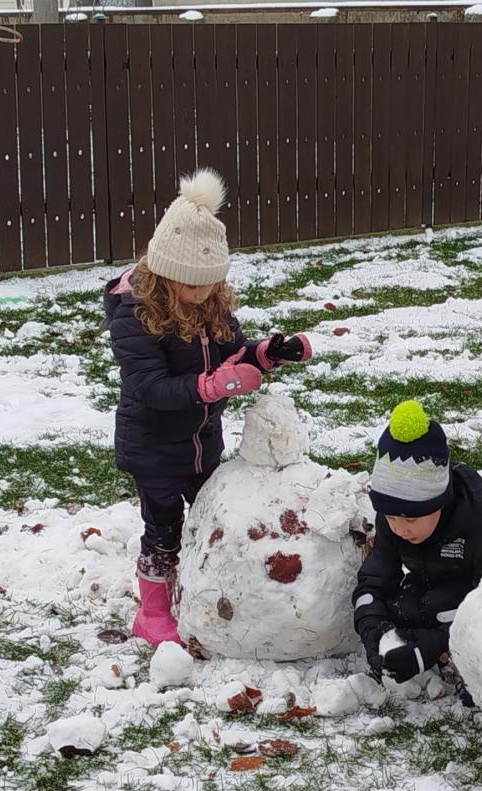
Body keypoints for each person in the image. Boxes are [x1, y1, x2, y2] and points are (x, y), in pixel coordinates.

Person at [105, 169, 312, 645]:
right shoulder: (135, 316)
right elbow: (151, 387)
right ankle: (152, 612)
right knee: (163, 529)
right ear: (163, 273)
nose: (200, 293)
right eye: (190, 284)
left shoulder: (209, 304)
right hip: (153, 448)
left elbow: (232, 353)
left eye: (208, 283)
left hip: (201, 444)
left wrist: (266, 354)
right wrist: (212, 386)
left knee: (209, 519)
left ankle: (197, 590)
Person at [353, 400, 482, 695]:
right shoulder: (394, 520)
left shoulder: (480, 523)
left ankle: (464, 667)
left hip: (478, 596)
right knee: (404, 608)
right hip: (431, 589)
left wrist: (435, 645)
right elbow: (375, 578)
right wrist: (373, 631)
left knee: (450, 610)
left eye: (411, 519)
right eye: (391, 518)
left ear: (439, 502)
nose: (400, 529)